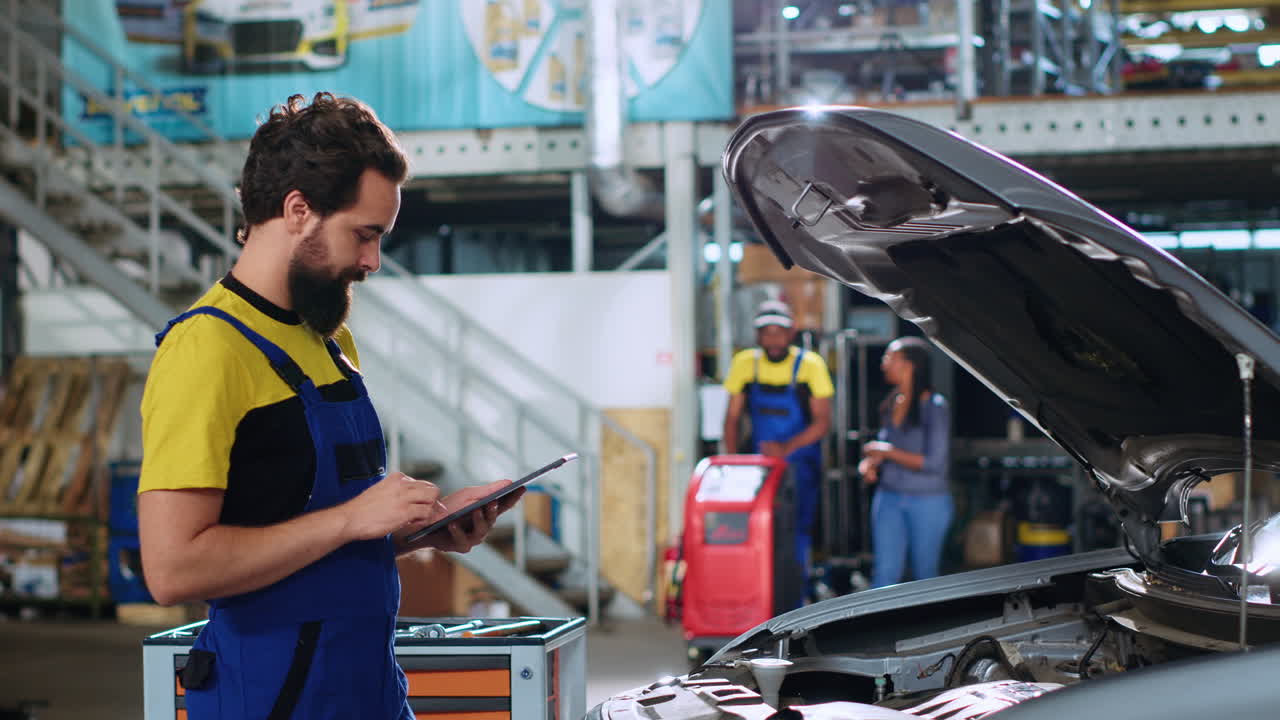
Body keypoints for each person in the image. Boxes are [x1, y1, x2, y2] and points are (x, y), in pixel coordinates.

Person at [136, 92, 523, 720]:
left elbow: (310, 538)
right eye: (363, 236)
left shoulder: (328, 338)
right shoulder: (206, 349)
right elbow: (173, 569)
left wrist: (421, 529)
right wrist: (352, 521)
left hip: (365, 689)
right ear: (297, 210)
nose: (371, 261)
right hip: (272, 699)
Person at [722, 300, 834, 576]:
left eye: (779, 331)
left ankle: (797, 596)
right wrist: (734, 461)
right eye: (766, 332)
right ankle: (758, 593)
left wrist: (786, 448)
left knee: (797, 530)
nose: (773, 339)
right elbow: (732, 418)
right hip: (758, 465)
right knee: (757, 529)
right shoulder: (745, 363)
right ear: (757, 335)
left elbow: (823, 423)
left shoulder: (811, 365)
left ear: (791, 333)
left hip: (801, 464)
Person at [859, 336, 953, 588]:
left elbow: (934, 462)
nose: (883, 363)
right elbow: (882, 447)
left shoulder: (935, 407)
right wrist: (870, 464)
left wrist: (887, 452)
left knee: (925, 575)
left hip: (928, 501)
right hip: (888, 499)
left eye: (890, 357)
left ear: (909, 365)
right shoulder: (892, 403)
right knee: (885, 574)